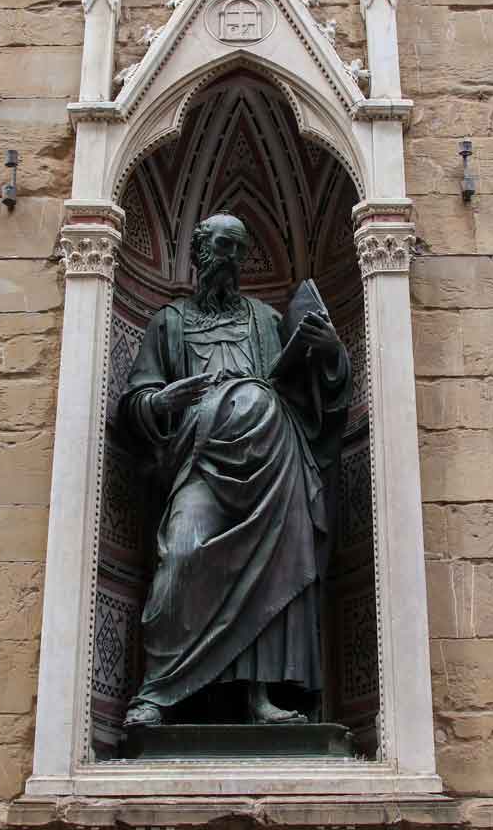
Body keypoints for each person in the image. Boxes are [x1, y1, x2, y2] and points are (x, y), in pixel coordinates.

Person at [116, 213, 350, 726]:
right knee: (182, 552)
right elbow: (131, 405)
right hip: (201, 461)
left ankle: (260, 698)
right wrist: (161, 400)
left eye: (240, 250)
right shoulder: (169, 323)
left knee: (276, 568)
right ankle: (158, 692)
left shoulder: (265, 320)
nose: (231, 258)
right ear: (199, 250)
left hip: (275, 461)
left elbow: (314, 395)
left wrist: (330, 356)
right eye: (222, 246)